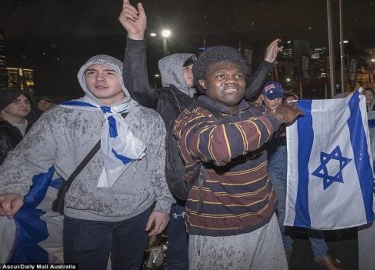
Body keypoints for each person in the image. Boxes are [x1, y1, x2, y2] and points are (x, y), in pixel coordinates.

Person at [119, 1, 283, 269]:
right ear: (172, 69)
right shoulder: (165, 99)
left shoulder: (208, 99)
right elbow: (137, 87)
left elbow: (247, 90)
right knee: (169, 253)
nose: (194, 72)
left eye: (197, 67)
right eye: (188, 67)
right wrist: (136, 39)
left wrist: (266, 62)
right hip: (177, 186)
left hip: (211, 191)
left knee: (190, 251)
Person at [0, 54, 174, 270]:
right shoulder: (61, 116)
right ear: (82, 78)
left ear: (123, 78)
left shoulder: (148, 118)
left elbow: (159, 165)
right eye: (91, 73)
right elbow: (25, 157)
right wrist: (11, 188)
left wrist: (163, 205)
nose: (99, 78)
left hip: (136, 214)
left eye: (109, 73)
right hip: (84, 217)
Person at [173, 46, 302, 269]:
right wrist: (278, 116)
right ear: (203, 83)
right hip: (219, 231)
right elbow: (219, 147)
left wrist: (340, 107)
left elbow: (281, 130)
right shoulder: (190, 118)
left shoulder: (254, 113)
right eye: (221, 75)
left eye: (238, 75)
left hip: (265, 221)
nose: (232, 81)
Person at [0, 88, 34, 203]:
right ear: (2, 104)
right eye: (16, 101)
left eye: (27, 101)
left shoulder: (37, 128)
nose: (24, 105)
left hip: (33, 193)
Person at [259, 81, 293, 260]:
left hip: (294, 164)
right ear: (263, 98)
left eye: (279, 97)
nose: (276, 102)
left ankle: (321, 252)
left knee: (306, 204)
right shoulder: (258, 117)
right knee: (282, 210)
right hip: (274, 167)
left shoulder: (291, 112)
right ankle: (281, 248)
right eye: (272, 98)